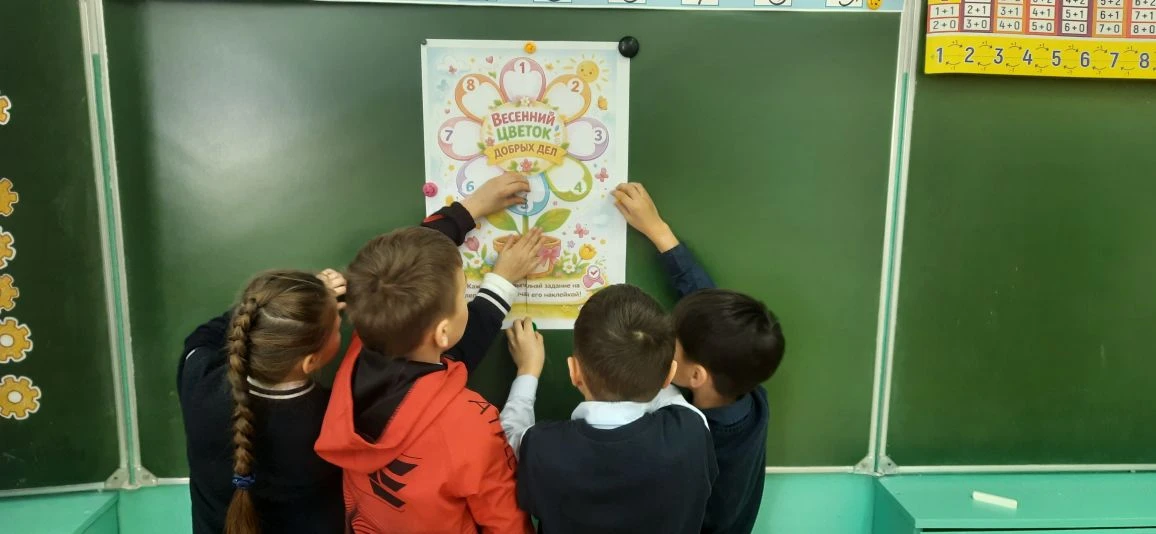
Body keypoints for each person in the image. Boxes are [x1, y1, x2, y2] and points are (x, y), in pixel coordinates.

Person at [315, 179, 544, 533]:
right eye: (463, 293)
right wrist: (500, 279)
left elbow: (402, 267)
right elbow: (508, 525)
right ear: (442, 334)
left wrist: (469, 209)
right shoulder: (469, 424)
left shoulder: (362, 344)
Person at [615, 182, 786, 534]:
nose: (662, 337)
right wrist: (658, 230)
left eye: (671, 341)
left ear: (697, 376)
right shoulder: (746, 384)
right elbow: (708, 306)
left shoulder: (687, 442)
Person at [499, 286, 718, 534]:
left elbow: (506, 440)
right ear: (669, 375)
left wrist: (528, 369)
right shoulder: (690, 432)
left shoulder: (541, 448)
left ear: (574, 371)